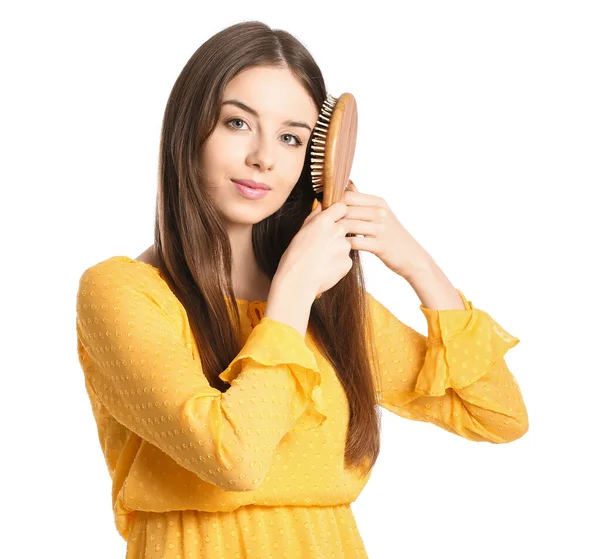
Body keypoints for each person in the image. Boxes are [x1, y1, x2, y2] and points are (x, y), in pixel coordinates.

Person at [75, 20, 528, 559]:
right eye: (238, 123)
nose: (264, 157)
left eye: (291, 137)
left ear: (310, 162)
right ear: (187, 130)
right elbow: (234, 457)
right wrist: (291, 293)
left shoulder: (332, 306)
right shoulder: (123, 291)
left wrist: (419, 266)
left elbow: (498, 416)